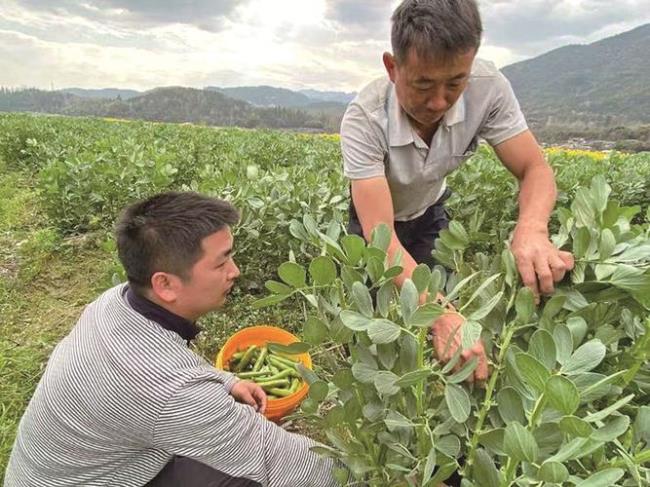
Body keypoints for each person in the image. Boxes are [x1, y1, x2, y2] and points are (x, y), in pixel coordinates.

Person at [4, 192, 338, 487]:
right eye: (221, 261)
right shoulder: (174, 393)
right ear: (165, 285)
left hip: (61, 470)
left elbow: (165, 372)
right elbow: (282, 461)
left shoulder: (113, 302)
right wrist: (368, 473)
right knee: (250, 476)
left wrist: (225, 381)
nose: (234, 271)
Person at [340, 0, 574, 381]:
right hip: (376, 226)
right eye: (423, 84)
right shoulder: (365, 118)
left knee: (440, 308)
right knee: (374, 321)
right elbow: (380, 240)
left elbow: (534, 168)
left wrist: (531, 229)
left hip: (431, 212)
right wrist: (441, 313)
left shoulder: (490, 89)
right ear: (392, 67)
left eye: (455, 84)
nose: (439, 102)